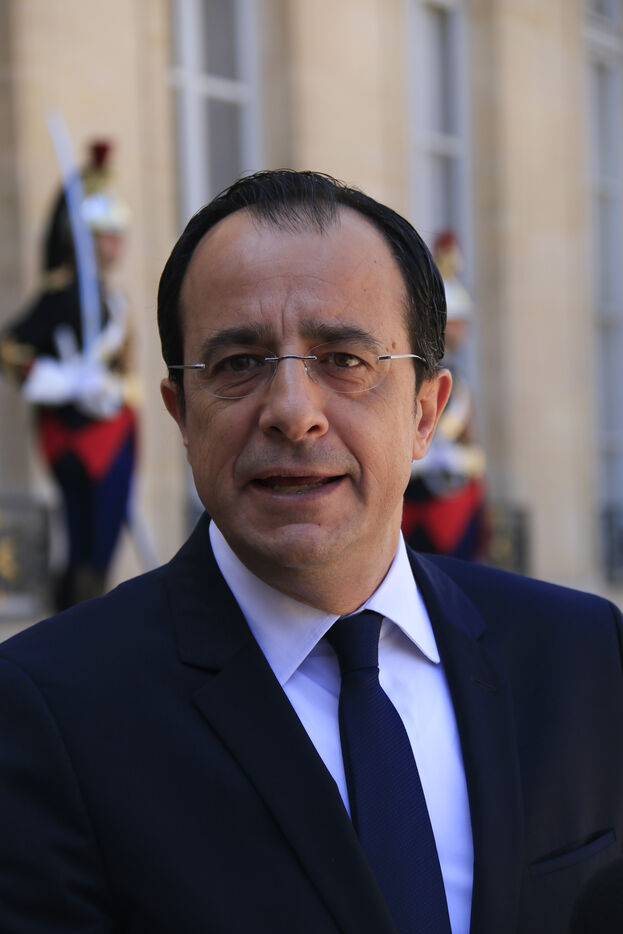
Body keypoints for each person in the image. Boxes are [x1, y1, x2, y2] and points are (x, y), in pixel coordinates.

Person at [0, 170, 621, 934]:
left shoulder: (584, 656)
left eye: (343, 359)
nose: (293, 414)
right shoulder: (50, 711)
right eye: (238, 363)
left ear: (425, 413)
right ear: (181, 414)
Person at [0, 141, 138, 609]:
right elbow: (11, 347)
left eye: (119, 234)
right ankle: (75, 624)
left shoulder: (113, 300)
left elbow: (123, 369)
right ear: (86, 237)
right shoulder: (61, 294)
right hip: (77, 435)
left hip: (115, 428)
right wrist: (66, 381)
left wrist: (110, 388)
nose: (116, 243)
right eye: (106, 234)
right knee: (85, 547)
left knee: (101, 547)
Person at [403, 231, 489, 560]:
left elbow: (468, 436)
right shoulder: (421, 371)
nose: (463, 331)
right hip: (422, 495)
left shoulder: (458, 375)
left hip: (450, 495)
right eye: (458, 322)